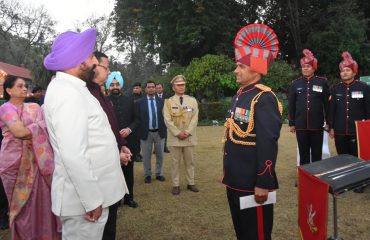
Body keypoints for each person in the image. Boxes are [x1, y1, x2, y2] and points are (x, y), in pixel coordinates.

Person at [43, 28, 128, 239]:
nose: (93, 62)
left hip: (95, 193)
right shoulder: (66, 92)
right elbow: (73, 153)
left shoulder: (75, 88)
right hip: (84, 201)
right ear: (77, 59)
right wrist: (91, 200)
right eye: (90, 56)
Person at [222, 24, 282, 240]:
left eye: (240, 66)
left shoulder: (264, 98)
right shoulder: (240, 95)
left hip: (251, 183)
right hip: (235, 180)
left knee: (256, 234)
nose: (235, 70)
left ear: (255, 69)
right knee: (242, 232)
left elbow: (268, 143)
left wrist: (263, 183)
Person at [0, 76, 59, 239]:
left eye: (25, 86)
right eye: (20, 86)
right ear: (9, 90)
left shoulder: (34, 106)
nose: (25, 88)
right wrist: (41, 125)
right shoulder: (6, 108)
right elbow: (20, 133)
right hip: (14, 163)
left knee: (43, 201)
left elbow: (29, 132)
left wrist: (36, 127)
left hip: (39, 160)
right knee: (22, 206)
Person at [86, 52, 132, 239]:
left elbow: (110, 124)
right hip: (98, 169)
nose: (109, 71)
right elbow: (93, 138)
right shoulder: (87, 93)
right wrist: (115, 154)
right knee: (102, 226)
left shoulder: (99, 92)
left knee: (110, 219)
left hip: (112, 162)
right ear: (94, 67)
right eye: (107, 66)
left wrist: (121, 144)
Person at [288, 49, 330, 165]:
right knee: (303, 153)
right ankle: (304, 178)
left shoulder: (322, 82)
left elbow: (327, 104)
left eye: (308, 66)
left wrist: (329, 122)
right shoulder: (295, 84)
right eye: (303, 66)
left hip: (317, 124)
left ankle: (317, 178)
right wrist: (292, 123)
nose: (305, 68)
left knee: (317, 154)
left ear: (314, 68)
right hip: (301, 125)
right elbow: (291, 104)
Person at [107, 71, 139, 208]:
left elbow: (137, 119)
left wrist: (129, 129)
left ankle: (129, 198)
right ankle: (115, 199)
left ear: (121, 85)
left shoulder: (130, 100)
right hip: (110, 143)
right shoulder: (104, 102)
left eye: (117, 84)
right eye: (112, 84)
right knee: (113, 173)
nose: (115, 87)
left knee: (128, 171)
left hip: (129, 142)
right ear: (108, 86)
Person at [163, 75, 199, 195]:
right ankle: (175, 185)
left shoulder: (192, 101)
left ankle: (191, 182)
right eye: (179, 85)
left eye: (183, 84)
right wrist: (178, 133)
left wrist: (187, 132)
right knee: (175, 163)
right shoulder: (168, 102)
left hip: (189, 137)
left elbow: (195, 118)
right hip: (175, 138)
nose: (181, 87)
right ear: (173, 87)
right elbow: (167, 120)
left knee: (190, 162)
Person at [329, 52, 370, 156]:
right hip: (339, 131)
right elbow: (332, 110)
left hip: (357, 131)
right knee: (342, 158)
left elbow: (368, 109)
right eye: (342, 71)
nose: (345, 73)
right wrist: (331, 127)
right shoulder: (336, 88)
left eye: (348, 70)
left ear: (354, 72)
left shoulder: (363, 87)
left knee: (357, 157)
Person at [135, 81, 166, 184]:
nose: (151, 89)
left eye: (153, 87)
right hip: (146, 133)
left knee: (160, 155)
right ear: (146, 89)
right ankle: (147, 174)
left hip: (159, 132)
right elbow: (137, 118)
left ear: (156, 89)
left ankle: (159, 173)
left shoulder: (162, 102)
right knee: (146, 156)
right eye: (149, 87)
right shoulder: (140, 102)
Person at [156, 82, 170, 153]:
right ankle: (156, 149)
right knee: (155, 133)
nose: (158, 89)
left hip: (164, 117)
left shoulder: (167, 97)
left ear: (162, 88)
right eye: (157, 88)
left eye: (160, 88)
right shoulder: (153, 97)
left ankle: (164, 147)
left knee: (164, 133)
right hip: (155, 118)